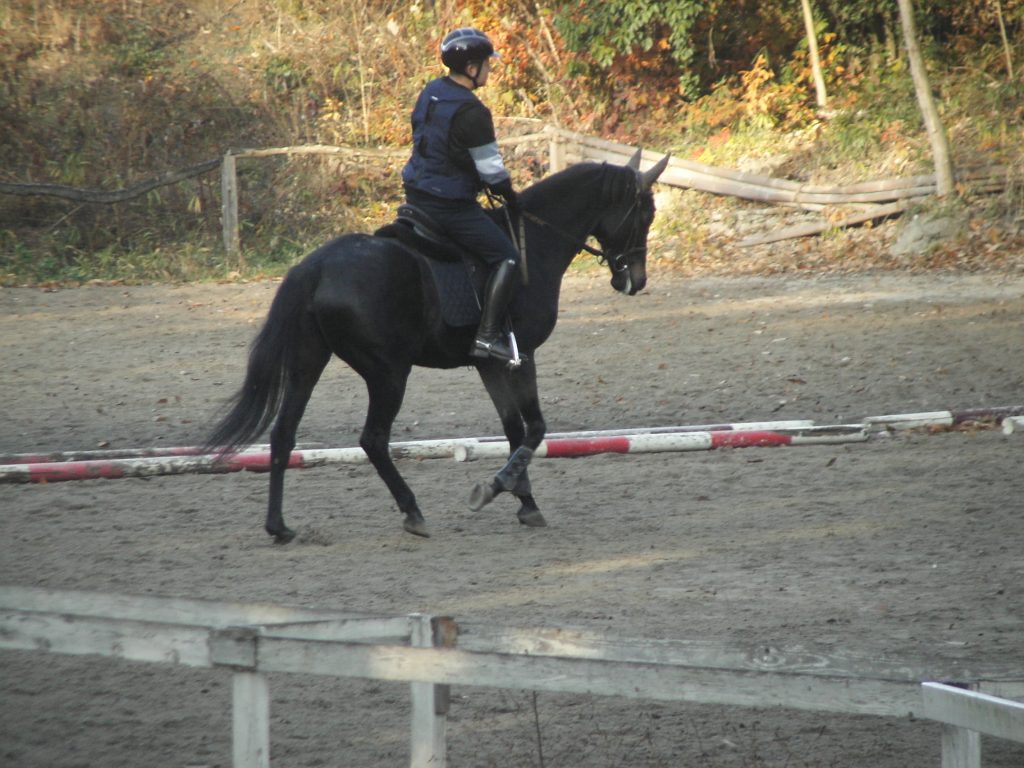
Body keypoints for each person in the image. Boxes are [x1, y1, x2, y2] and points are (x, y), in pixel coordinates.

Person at [402, 27, 521, 363]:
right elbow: (492, 173)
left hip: (416, 194)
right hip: (448, 207)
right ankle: (487, 337)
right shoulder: (472, 111)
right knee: (507, 257)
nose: (489, 69)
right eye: (486, 64)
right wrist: (511, 196)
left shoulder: (431, 91)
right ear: (471, 68)